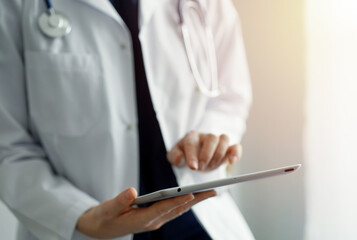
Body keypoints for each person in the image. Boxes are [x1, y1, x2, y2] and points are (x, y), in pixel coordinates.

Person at [0, 0, 253, 239]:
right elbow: (8, 146)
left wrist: (208, 137)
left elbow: (229, 96)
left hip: (198, 215)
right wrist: (80, 216)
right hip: (84, 227)